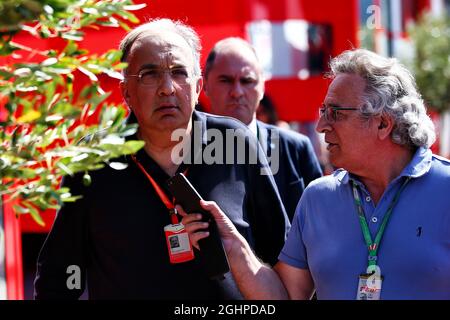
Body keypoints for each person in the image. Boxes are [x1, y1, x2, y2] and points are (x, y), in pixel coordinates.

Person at [34, 19, 290, 299]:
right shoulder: (95, 158)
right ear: (125, 92)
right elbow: (59, 275)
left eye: (179, 72)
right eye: (149, 74)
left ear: (197, 86)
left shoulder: (235, 141)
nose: (167, 88)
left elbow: (284, 258)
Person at [182, 48, 450, 300]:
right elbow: (286, 295)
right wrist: (232, 246)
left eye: (335, 113)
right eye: (324, 112)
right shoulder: (318, 197)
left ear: (382, 123)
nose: (322, 126)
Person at [203, 37, 322, 220]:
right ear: (204, 84)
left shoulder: (295, 149)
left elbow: (321, 222)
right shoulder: (186, 150)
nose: (237, 92)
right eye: (225, 80)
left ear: (262, 86)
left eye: (247, 80)